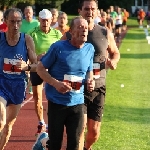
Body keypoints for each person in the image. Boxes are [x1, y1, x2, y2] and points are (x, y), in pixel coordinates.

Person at [61, 0, 120, 149]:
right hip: (78, 88)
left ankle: (87, 147)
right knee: (80, 129)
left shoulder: (105, 32)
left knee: (94, 133)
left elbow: (115, 53)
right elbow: (58, 51)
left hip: (99, 87)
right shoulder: (70, 33)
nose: (90, 12)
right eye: (86, 9)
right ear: (80, 10)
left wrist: (113, 61)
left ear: (97, 11)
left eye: (93, 9)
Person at [36, 16, 95, 150]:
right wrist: (56, 83)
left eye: (85, 28)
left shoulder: (89, 49)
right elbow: (40, 68)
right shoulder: (58, 47)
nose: (84, 30)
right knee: (55, 144)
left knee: (74, 144)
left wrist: (90, 81)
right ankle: (43, 142)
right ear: (71, 32)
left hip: (78, 103)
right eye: (80, 27)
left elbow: (89, 72)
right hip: (57, 103)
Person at [0, 8, 37, 150]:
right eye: (12, 22)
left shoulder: (26, 39)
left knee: (8, 126)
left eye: (18, 22)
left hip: (18, 86)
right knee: (1, 120)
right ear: (5, 22)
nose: (15, 25)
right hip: (1, 82)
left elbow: (36, 66)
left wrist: (26, 67)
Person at [27, 9, 62, 137]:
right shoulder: (32, 33)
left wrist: (51, 57)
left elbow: (61, 51)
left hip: (53, 70)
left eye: (47, 20)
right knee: (37, 97)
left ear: (51, 20)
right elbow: (28, 52)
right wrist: (37, 57)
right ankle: (41, 122)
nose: (45, 22)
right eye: (42, 20)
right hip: (37, 68)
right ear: (39, 20)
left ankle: (54, 122)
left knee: (53, 97)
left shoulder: (57, 34)